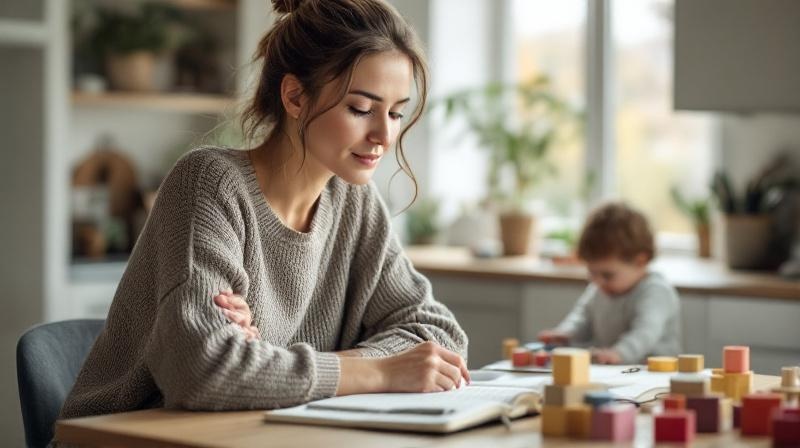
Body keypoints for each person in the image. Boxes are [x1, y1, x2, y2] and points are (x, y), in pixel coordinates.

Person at [60, 0, 469, 419]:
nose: (384, 134)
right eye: (361, 109)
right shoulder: (208, 183)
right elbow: (203, 371)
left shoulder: (354, 200)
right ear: (294, 96)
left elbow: (439, 337)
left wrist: (270, 362)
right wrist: (378, 371)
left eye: (397, 112)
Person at [537, 202, 681, 365]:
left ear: (640, 261)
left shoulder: (656, 291)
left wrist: (618, 353)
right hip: (617, 373)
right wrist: (566, 333)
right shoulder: (600, 287)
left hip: (654, 376)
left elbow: (645, 333)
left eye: (607, 275)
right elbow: (582, 317)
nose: (598, 281)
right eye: (592, 272)